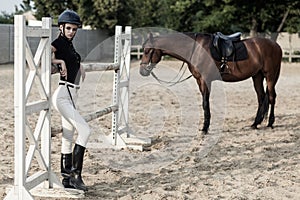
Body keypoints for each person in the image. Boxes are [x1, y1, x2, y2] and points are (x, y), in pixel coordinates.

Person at [51, 9, 90, 191]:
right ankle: (76, 175)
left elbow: (71, 57)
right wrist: (60, 63)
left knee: (68, 137)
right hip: (62, 96)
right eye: (68, 28)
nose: (72, 32)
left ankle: (66, 179)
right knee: (85, 130)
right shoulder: (58, 42)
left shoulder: (69, 44)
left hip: (73, 93)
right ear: (61, 27)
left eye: (74, 29)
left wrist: (79, 65)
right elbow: (45, 54)